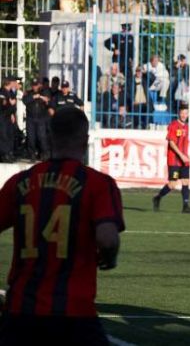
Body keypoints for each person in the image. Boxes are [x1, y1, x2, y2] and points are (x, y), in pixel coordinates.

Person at [0, 107, 124, 345]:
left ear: (49, 134)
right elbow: (107, 239)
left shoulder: (20, 181)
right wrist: (111, 256)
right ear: (85, 139)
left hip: (20, 313)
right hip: (74, 315)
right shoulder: (98, 184)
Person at [152, 104, 190, 214]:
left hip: (184, 160)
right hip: (174, 160)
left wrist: (185, 156)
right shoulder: (173, 125)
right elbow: (171, 142)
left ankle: (186, 206)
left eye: (186, 113)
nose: (184, 115)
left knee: (186, 181)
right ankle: (158, 197)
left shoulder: (186, 127)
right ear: (179, 113)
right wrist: (181, 155)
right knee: (172, 184)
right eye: (182, 113)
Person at [22, 78, 51, 160]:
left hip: (41, 118)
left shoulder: (44, 92)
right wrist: (33, 97)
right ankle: (32, 154)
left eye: (36, 85)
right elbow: (25, 101)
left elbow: (48, 99)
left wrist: (40, 96)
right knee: (31, 137)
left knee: (42, 137)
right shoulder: (28, 93)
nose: (35, 87)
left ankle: (44, 154)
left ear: (39, 85)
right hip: (31, 118)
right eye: (33, 85)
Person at [0, 76, 18, 162]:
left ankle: (9, 153)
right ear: (9, 83)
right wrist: (9, 102)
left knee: (10, 134)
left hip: (8, 116)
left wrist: (12, 114)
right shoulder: (2, 91)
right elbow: (3, 104)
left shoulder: (10, 92)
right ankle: (5, 154)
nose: (14, 84)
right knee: (4, 136)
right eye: (13, 82)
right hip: (3, 117)